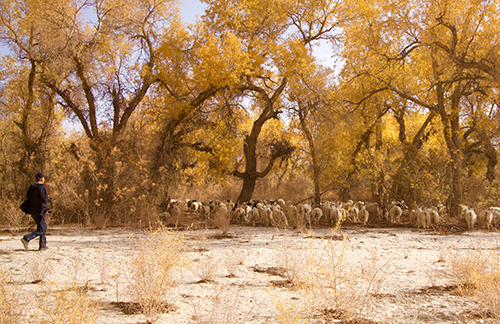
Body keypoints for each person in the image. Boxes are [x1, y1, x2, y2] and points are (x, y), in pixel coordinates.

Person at [21, 173, 50, 251]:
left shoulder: (31, 187)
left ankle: (42, 246)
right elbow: (44, 199)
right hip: (40, 210)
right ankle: (26, 238)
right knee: (41, 229)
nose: (44, 180)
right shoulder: (41, 187)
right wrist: (47, 199)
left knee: (42, 227)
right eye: (44, 178)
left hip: (33, 210)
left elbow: (28, 197)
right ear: (41, 179)